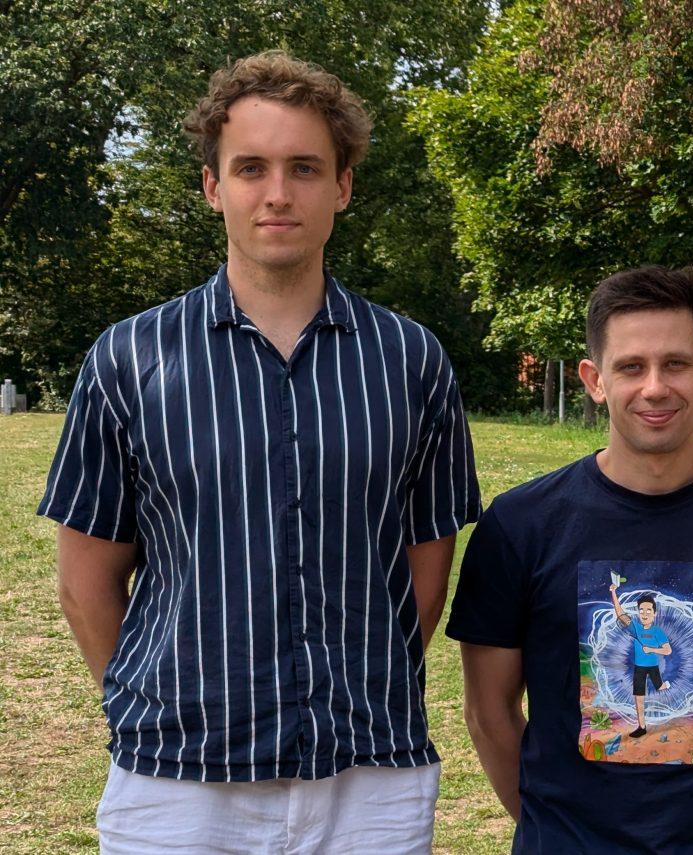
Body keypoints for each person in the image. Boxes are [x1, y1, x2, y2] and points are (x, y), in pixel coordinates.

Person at [38, 51, 480, 853]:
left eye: (304, 167)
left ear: (343, 186)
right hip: (177, 786)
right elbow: (86, 584)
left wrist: (353, 684)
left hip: (370, 781)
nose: (278, 192)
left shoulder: (411, 361)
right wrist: (162, 706)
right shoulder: (129, 358)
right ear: (214, 187)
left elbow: (425, 572)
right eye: (251, 168)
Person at [448, 266, 693, 852]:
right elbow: (488, 712)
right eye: (630, 367)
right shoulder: (520, 524)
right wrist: (555, 829)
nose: (655, 387)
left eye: (676, 363)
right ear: (594, 380)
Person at [609, 583, 672, 736]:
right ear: (638, 612)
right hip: (639, 668)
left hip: (653, 667)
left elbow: (668, 650)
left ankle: (664, 685)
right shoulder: (635, 628)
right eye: (641, 610)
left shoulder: (657, 632)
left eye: (648, 610)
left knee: (660, 687)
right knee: (639, 698)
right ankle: (641, 727)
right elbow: (620, 614)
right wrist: (613, 593)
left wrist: (651, 649)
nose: (644, 613)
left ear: (654, 613)